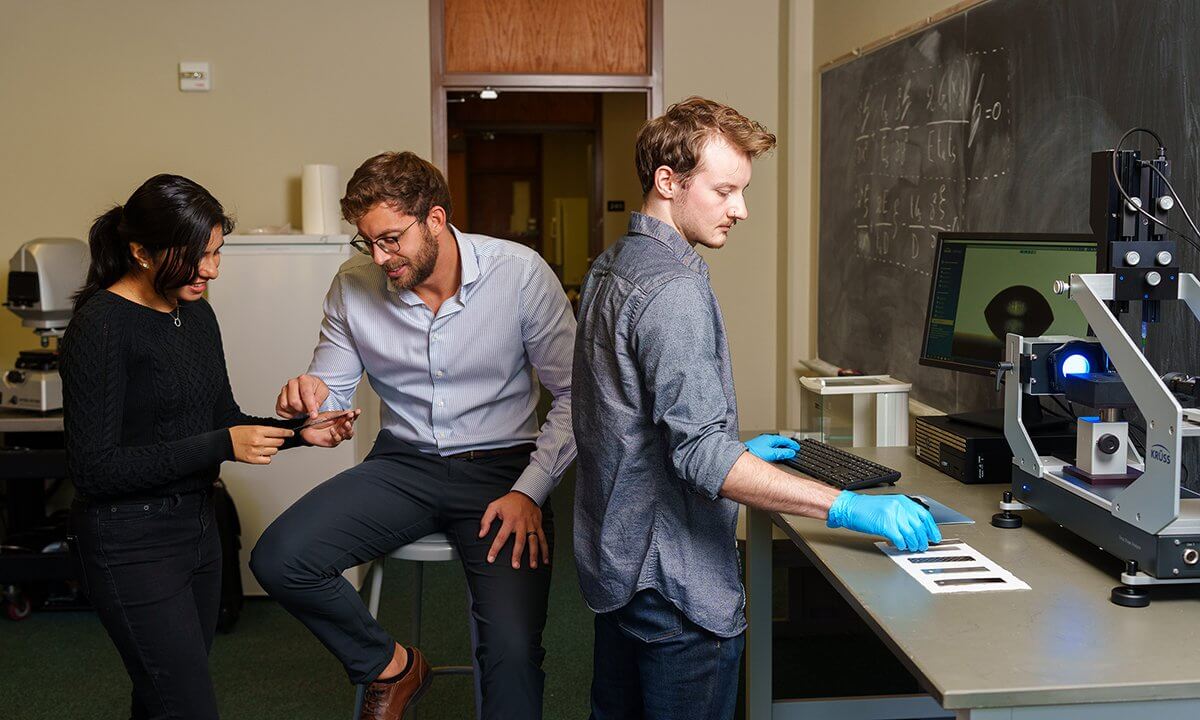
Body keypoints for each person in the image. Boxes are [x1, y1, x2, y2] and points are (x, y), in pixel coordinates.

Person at [573, 97, 942, 719]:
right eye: (724, 191)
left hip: (621, 567)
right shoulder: (673, 289)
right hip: (676, 586)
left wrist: (732, 450)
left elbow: (632, 420)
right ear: (668, 182)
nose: (740, 210)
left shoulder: (613, 265)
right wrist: (849, 506)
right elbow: (699, 455)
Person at [250, 151, 576, 720]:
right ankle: (396, 667)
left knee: (512, 653)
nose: (380, 257)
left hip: (503, 473)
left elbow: (578, 396)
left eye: (392, 239)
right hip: (403, 466)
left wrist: (531, 490)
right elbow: (331, 389)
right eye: (368, 242)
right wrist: (310, 398)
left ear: (436, 219)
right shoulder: (354, 284)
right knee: (280, 558)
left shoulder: (519, 273)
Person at [62, 173, 359, 720]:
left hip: (199, 529)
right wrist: (221, 443)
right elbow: (95, 469)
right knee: (187, 706)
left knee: (162, 699)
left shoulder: (195, 311)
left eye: (217, 253)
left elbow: (223, 419)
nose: (211, 270)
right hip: (129, 541)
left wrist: (303, 433)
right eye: (196, 256)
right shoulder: (100, 326)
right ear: (140, 252)